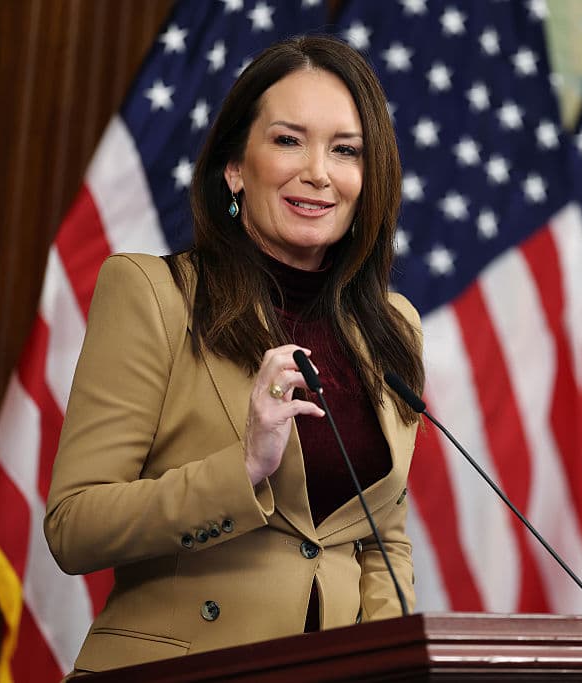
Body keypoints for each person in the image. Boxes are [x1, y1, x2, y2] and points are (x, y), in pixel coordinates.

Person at [44, 35, 425, 674]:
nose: (318, 172)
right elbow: (75, 525)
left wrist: (393, 666)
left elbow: (383, 540)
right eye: (287, 140)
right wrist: (244, 466)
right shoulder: (154, 294)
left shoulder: (392, 327)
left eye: (345, 150)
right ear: (235, 167)